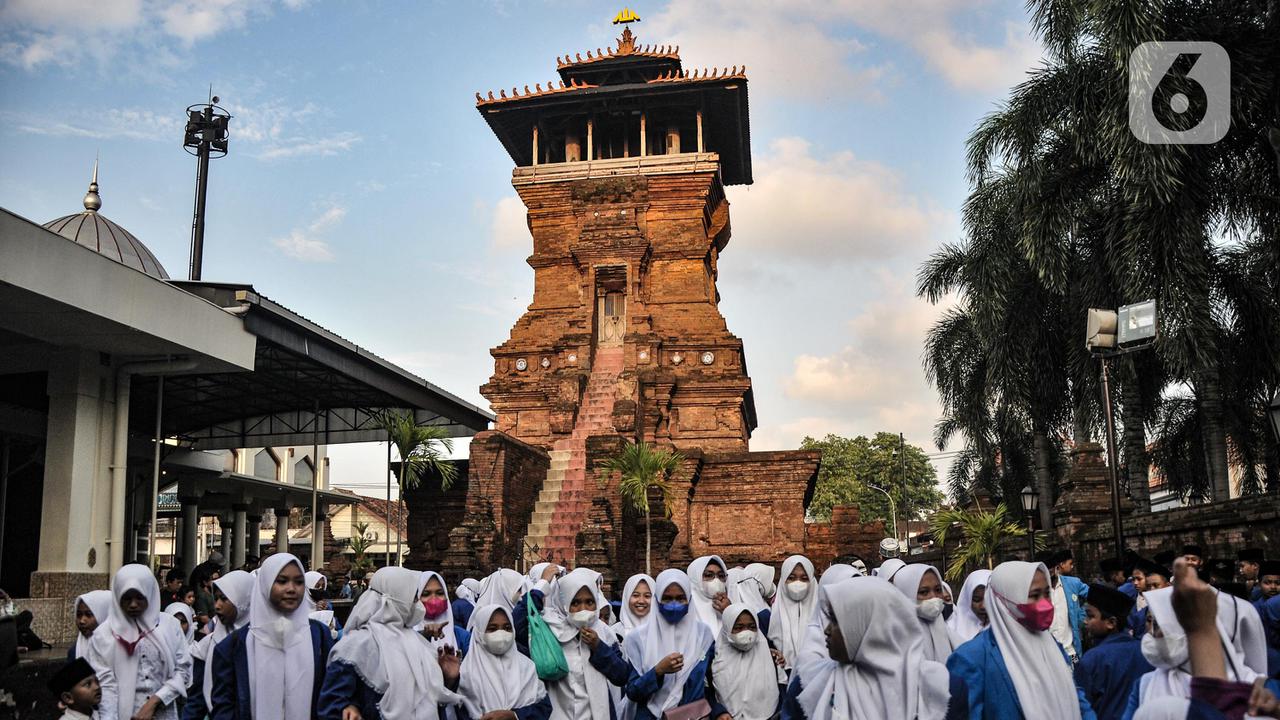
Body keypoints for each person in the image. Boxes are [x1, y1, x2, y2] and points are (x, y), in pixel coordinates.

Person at [781, 576, 951, 720]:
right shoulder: (810, 685)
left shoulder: (938, 688)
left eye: (836, 621)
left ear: (868, 627)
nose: (826, 630)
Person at [945, 560, 1096, 719]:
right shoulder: (971, 658)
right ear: (1005, 600)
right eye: (1034, 595)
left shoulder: (1051, 644)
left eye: (1046, 593)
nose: (1045, 602)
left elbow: (1075, 695)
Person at [319, 566, 463, 719]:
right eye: (413, 598)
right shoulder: (356, 646)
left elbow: (429, 702)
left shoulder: (419, 643)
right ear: (395, 599)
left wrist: (448, 679)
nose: (418, 604)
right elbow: (332, 706)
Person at [210, 553, 334, 719]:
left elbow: (330, 696)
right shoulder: (233, 646)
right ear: (265, 584)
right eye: (282, 581)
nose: (291, 589)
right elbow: (224, 709)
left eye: (299, 582)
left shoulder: (318, 636)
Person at [1120, 584, 1263, 718]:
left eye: (1168, 626)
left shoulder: (1257, 688)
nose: (1156, 634)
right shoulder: (1146, 684)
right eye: (1153, 623)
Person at [516, 566, 631, 719]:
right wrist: (542, 586)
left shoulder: (603, 632)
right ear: (564, 603)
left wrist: (598, 647)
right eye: (575, 603)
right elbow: (517, 623)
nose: (583, 609)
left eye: (589, 602)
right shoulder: (549, 628)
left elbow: (622, 675)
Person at [86, 564, 191, 720]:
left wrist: (154, 702)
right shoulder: (104, 636)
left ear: (150, 594)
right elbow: (105, 687)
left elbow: (183, 671)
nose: (133, 604)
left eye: (139, 597)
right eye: (127, 598)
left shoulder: (169, 626)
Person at [622, 568, 727, 720]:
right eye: (667, 598)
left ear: (689, 600)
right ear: (657, 599)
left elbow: (709, 685)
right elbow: (632, 692)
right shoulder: (637, 639)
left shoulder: (703, 635)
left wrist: (718, 711)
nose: (674, 604)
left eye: (680, 598)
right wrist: (658, 671)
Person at [456, 603, 551, 720]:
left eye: (507, 628)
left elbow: (544, 708)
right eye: (492, 629)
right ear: (479, 633)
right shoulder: (466, 673)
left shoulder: (527, 667)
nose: (501, 634)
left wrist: (515, 716)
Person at [183, 570, 253, 720]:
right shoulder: (207, 646)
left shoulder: (260, 643)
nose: (217, 606)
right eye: (216, 599)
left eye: (224, 599)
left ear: (243, 601)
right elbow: (196, 701)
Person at [1075, 584, 1151, 720]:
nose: (1085, 621)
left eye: (1090, 616)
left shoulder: (1092, 659)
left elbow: (1080, 707)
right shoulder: (1144, 651)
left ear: (1111, 622)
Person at [711, 603, 781, 720]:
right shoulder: (714, 655)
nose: (746, 632)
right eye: (738, 627)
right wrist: (719, 712)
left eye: (752, 627)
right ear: (727, 628)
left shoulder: (770, 654)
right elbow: (706, 691)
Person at [890, 563, 955, 662]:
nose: (933, 597)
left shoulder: (951, 635)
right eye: (924, 592)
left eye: (938, 590)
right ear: (905, 594)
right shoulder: (895, 642)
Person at [768, 555, 819, 672]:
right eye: (791, 578)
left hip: (815, 675)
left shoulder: (823, 615)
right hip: (781, 677)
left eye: (804, 578)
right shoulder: (768, 616)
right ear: (783, 580)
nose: (798, 583)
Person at [1048, 550, 1089, 663]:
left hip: (1071, 651)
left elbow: (1093, 596)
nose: (1049, 573)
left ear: (1057, 568)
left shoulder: (1072, 583)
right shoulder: (1038, 592)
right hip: (1050, 655)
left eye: (1051, 569)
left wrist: (1081, 615)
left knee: (1076, 674)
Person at [418, 570, 470, 654]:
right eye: (426, 594)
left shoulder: (462, 637)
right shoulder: (405, 635)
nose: (434, 599)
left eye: (440, 593)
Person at [687, 556, 731, 634]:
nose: (716, 580)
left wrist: (729, 612)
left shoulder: (729, 605)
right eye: (708, 575)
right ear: (695, 578)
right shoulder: (687, 608)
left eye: (721, 576)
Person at [947, 569, 991, 645]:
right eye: (976, 599)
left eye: (988, 599)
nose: (983, 606)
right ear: (967, 600)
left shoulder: (1008, 629)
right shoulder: (951, 630)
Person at [69, 590, 113, 660]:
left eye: (89, 615)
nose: (82, 621)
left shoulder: (120, 650)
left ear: (104, 616)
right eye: (79, 615)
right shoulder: (74, 651)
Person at [612, 573, 655, 642]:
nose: (641, 601)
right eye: (635, 595)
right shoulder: (614, 633)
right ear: (627, 597)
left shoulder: (661, 631)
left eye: (647, 596)